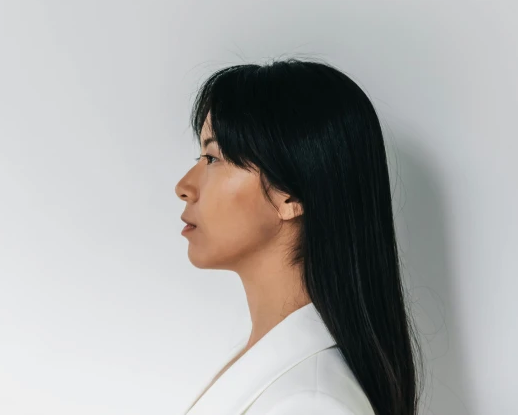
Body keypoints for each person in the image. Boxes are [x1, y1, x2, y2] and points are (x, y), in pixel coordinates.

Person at [175, 59, 423, 415]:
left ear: (290, 195)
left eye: (213, 158)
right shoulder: (279, 373)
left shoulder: (310, 403)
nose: (184, 186)